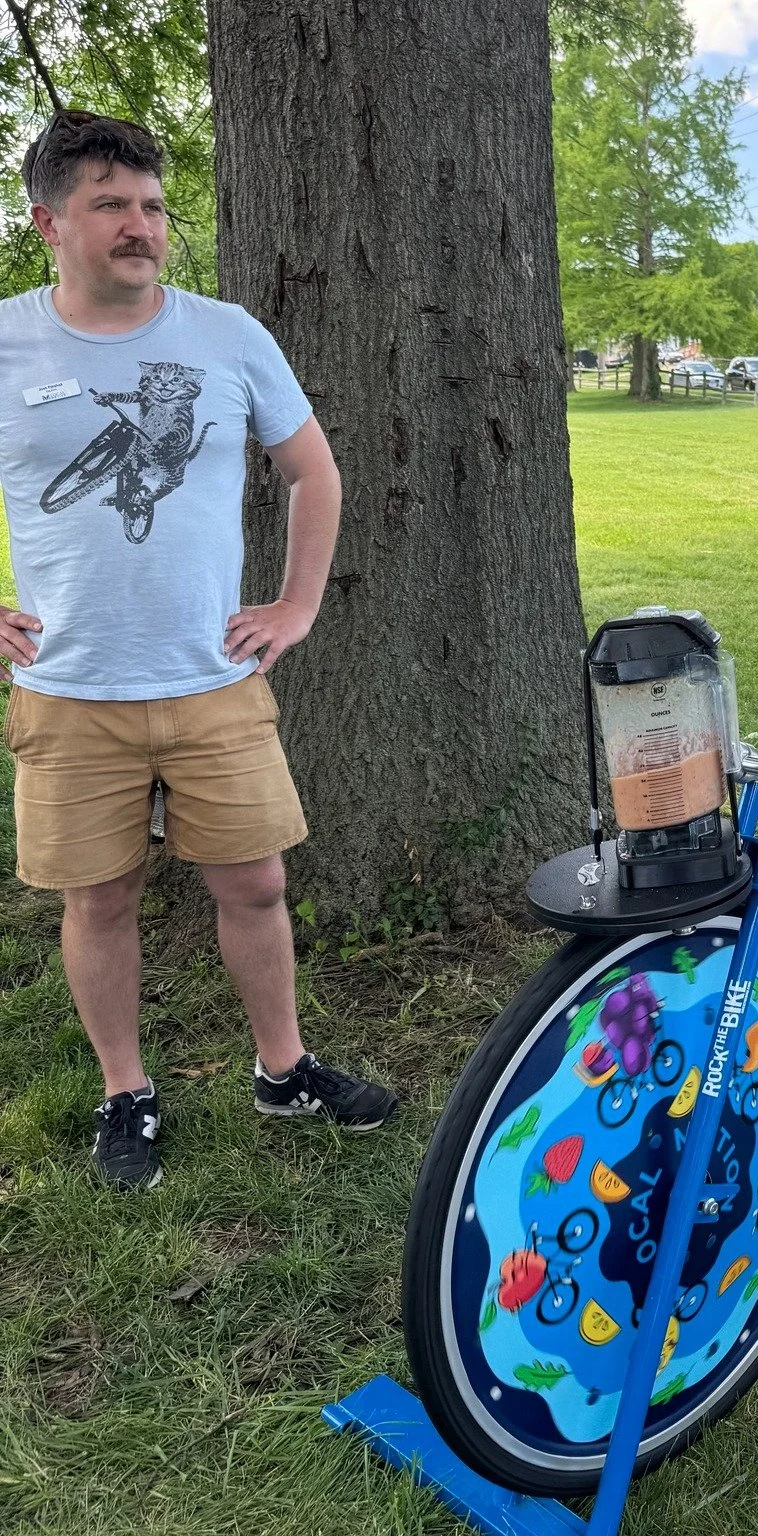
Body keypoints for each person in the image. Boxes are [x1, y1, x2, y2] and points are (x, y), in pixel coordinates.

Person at [0, 110, 396, 1191]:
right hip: (69, 687)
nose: (142, 226)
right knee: (101, 900)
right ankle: (125, 1092)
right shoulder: (6, 340)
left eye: (153, 206)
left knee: (258, 885)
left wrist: (296, 605)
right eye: (111, 205)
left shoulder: (228, 336)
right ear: (49, 221)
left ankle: (284, 1070)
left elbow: (313, 472)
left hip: (215, 677)